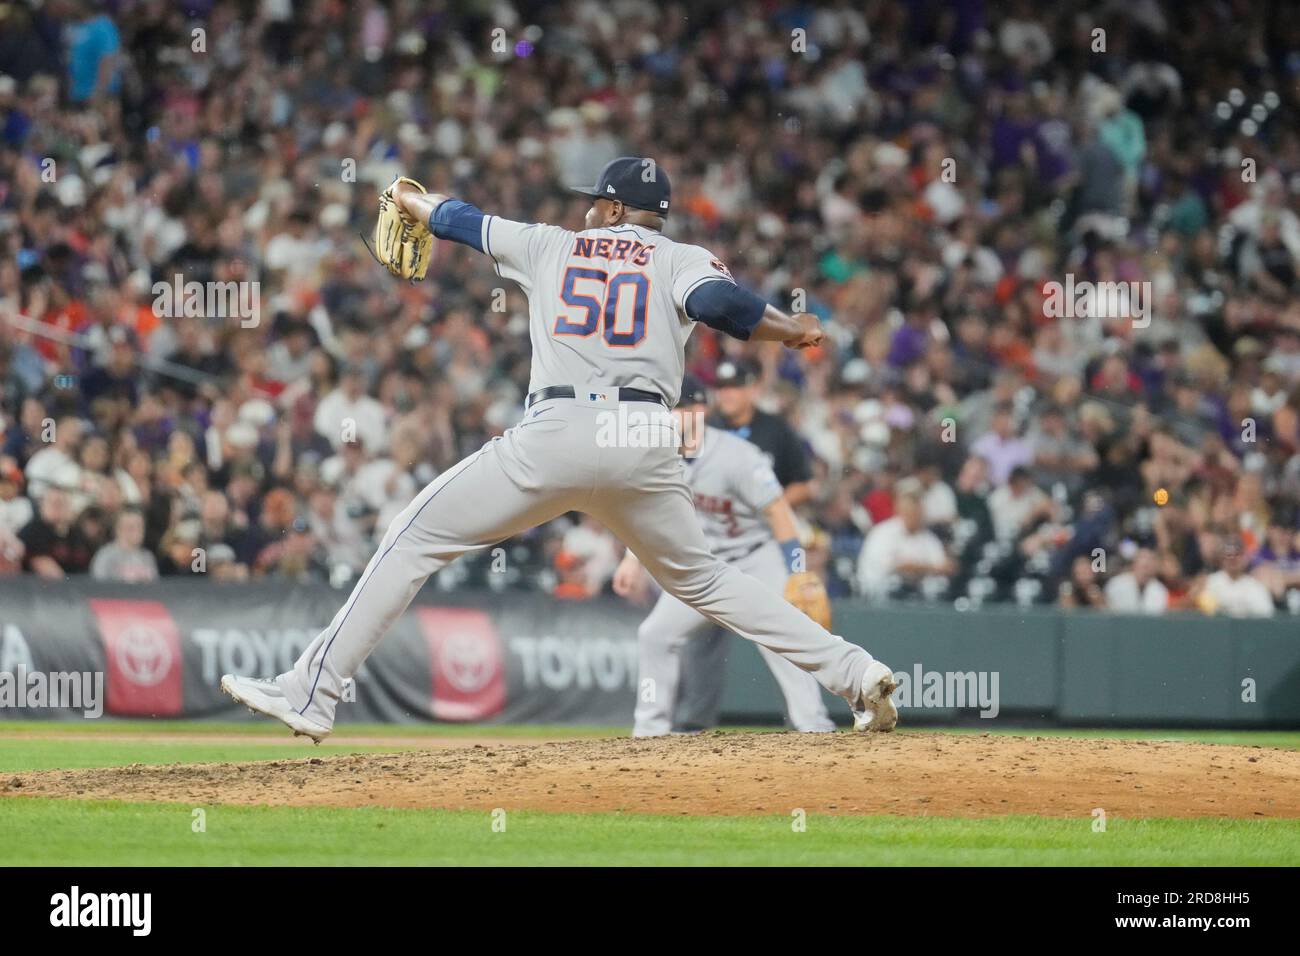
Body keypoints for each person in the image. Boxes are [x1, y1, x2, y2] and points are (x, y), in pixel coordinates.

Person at [221, 157, 899, 740]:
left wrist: (410, 201)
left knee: (413, 535)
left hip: (558, 432)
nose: (590, 210)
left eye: (595, 201)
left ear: (609, 205)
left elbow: (456, 218)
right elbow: (726, 305)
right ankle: (855, 672)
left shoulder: (551, 244)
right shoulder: (681, 258)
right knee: (707, 581)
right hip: (642, 437)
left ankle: (312, 693)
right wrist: (791, 330)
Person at [612, 376, 834, 736]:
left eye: (682, 408)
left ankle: (814, 725)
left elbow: (779, 512)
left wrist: (795, 571)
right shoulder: (657, 454)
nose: (674, 416)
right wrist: (630, 560)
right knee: (655, 634)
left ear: (701, 410)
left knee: (783, 639)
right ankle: (649, 732)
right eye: (669, 409)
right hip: (707, 565)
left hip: (757, 558)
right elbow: (646, 512)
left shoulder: (737, 456)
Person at [679, 357, 818, 731]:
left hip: (764, 546)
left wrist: (767, 502)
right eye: (722, 387)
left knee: (782, 637)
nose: (728, 394)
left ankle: (810, 723)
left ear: (753, 388)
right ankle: (695, 723)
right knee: (694, 640)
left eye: (735, 386)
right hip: (715, 553)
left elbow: (806, 482)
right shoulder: (708, 430)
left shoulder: (774, 430)